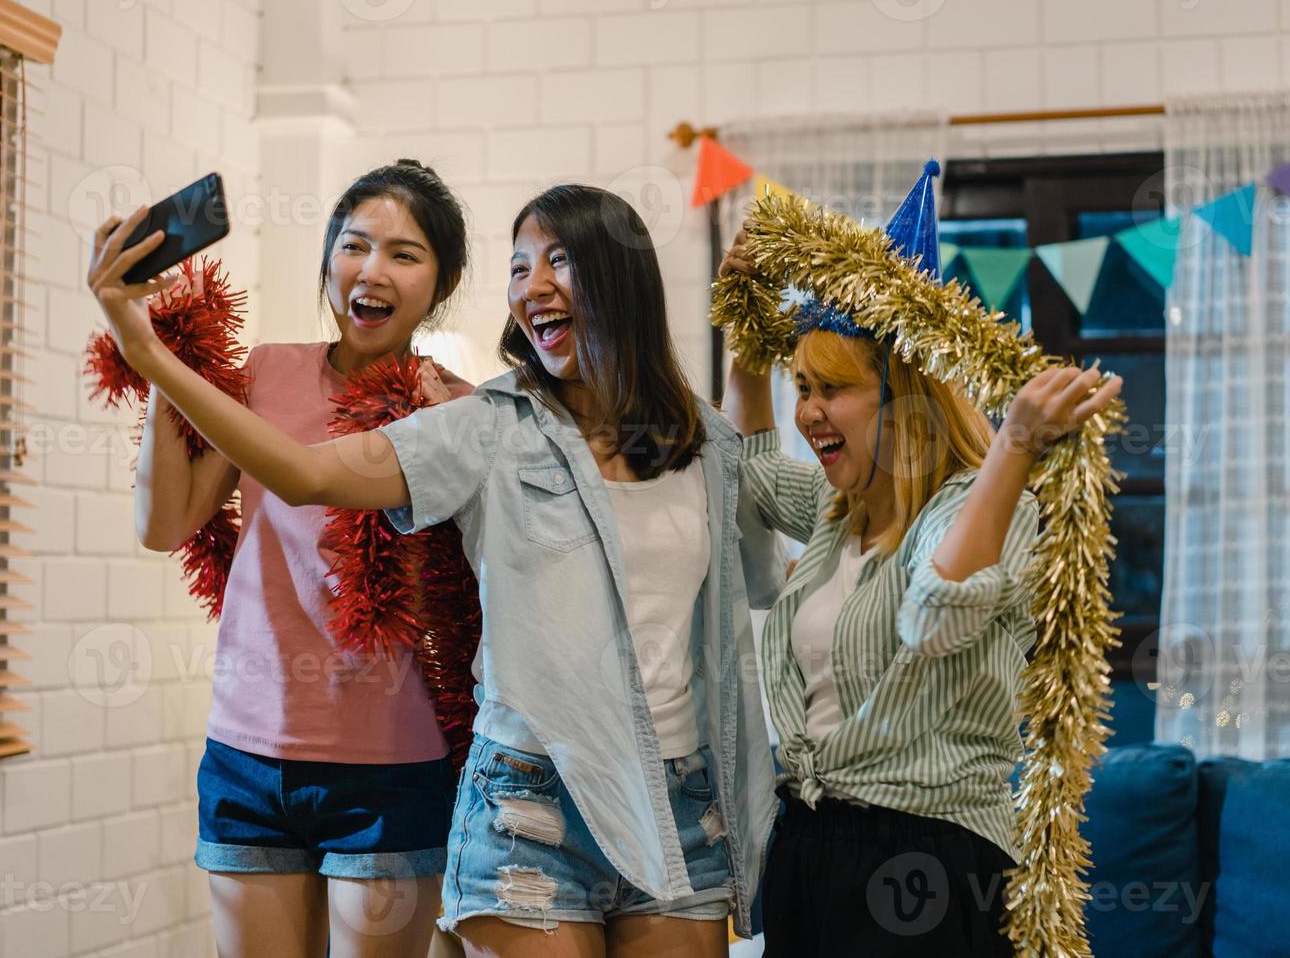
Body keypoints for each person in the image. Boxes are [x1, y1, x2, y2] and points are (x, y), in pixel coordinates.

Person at [90, 183, 783, 958]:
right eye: (520, 267)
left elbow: (759, 562)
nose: (535, 285)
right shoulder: (479, 421)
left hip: (568, 783)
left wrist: (753, 348)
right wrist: (153, 352)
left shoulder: (665, 438)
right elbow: (251, 493)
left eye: (561, 260)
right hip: (429, 781)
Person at [716, 165, 1122, 956]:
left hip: (927, 867)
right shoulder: (840, 517)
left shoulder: (986, 509)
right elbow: (750, 473)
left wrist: (1016, 444)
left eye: (831, 388)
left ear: (903, 395)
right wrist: (749, 329)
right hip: (809, 851)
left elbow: (934, 614)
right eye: (801, 386)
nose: (807, 412)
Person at [124, 159, 473, 958]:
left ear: (442, 281)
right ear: (326, 262)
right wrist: (161, 363)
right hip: (248, 755)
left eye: (405, 254)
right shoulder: (264, 374)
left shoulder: (455, 408)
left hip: (392, 759)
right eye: (354, 246)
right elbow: (167, 521)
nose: (372, 270)